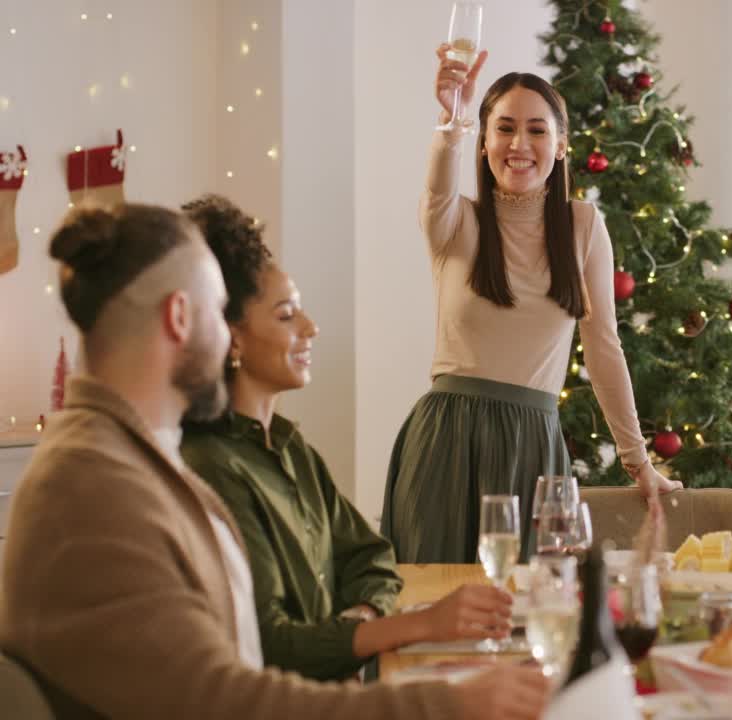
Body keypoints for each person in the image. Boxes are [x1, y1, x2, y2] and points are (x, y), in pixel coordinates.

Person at [0, 203, 548, 719]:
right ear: (180, 317)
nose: (229, 336)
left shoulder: (130, 459)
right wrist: (445, 706)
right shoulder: (95, 488)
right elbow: (227, 701)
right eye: (221, 312)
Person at [179, 195, 513, 681]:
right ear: (232, 338)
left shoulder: (290, 448)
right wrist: (414, 625)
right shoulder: (213, 466)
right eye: (286, 315)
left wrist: (361, 620)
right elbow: (274, 644)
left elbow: (371, 555)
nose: (311, 328)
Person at [382, 46, 681, 563]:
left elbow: (604, 349)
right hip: (446, 444)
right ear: (483, 143)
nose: (519, 144)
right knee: (434, 613)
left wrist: (639, 462)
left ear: (562, 145)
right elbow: (436, 190)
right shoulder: (455, 221)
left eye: (538, 130)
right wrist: (452, 119)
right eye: (504, 128)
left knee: (531, 618)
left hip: (534, 449)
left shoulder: (584, 227)